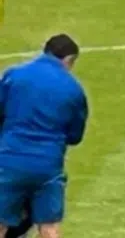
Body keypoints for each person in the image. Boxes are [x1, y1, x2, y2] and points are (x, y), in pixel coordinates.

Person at [0, 36, 88, 237]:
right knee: (49, 227)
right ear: (69, 59)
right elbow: (75, 136)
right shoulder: (73, 89)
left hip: (9, 160)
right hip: (48, 165)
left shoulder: (15, 75)